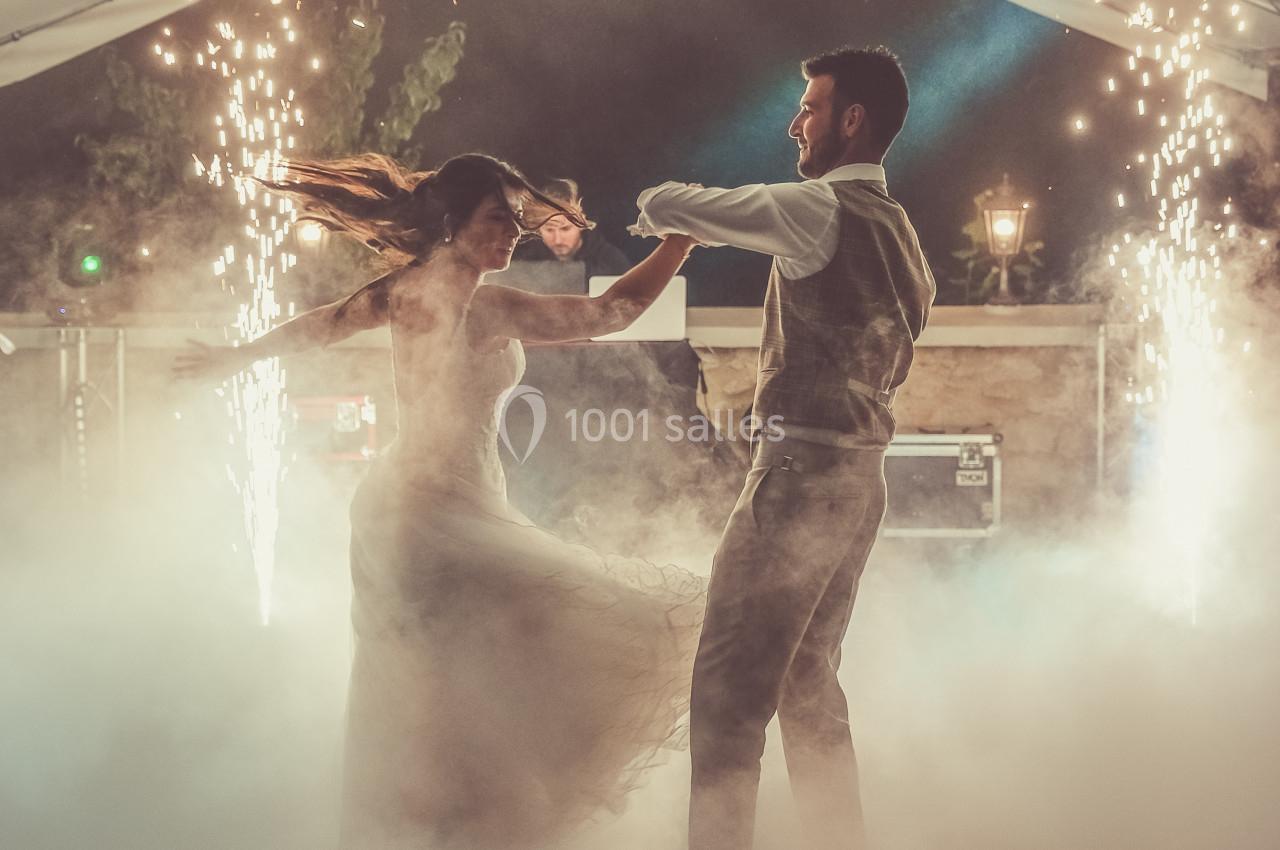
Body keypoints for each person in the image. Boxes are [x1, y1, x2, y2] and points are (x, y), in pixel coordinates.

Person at [174, 152, 703, 849]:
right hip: (436, 518)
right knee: (634, 626)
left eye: (517, 218)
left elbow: (323, 324)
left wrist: (234, 357)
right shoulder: (481, 306)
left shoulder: (404, 290)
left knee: (443, 684)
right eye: (497, 218)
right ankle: (465, 823)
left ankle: (442, 825)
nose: (513, 231)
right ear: (453, 222)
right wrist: (684, 239)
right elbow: (611, 312)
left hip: (409, 509)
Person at [631, 46, 936, 849]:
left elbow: (672, 201)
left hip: (798, 474)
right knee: (808, 685)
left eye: (809, 105)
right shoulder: (902, 235)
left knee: (727, 696)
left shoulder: (817, 209)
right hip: (861, 481)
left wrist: (660, 217)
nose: (793, 122)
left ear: (852, 119)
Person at [513, 178, 631, 277]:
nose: (557, 240)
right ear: (539, 229)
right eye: (549, 230)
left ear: (581, 223)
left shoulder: (611, 262)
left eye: (565, 229)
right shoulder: (524, 262)